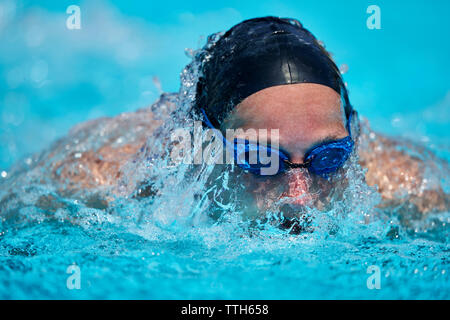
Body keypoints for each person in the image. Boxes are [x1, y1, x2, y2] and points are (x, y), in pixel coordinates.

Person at [9, 16, 447, 223]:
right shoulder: (103, 179)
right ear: (203, 143)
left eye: (328, 158)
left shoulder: (403, 184)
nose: (300, 199)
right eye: (260, 159)